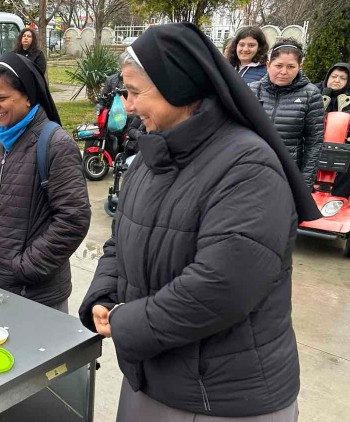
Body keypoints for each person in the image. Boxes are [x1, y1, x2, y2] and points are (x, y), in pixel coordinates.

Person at [79, 23, 321, 421]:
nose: (130, 106)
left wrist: (126, 323)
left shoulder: (248, 166)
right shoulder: (152, 153)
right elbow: (119, 239)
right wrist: (104, 296)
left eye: (136, 92)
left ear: (179, 86)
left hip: (223, 398)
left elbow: (222, 286)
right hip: (153, 378)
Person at [0, 52, 91, 312]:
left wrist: (25, 267)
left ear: (28, 96)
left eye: (2, 98)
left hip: (36, 294)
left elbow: (73, 219)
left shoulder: (55, 144)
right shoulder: (0, 141)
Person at [249, 39, 324, 187]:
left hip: (288, 172)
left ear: (300, 67)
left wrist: (305, 183)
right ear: (268, 64)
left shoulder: (310, 94)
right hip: (252, 168)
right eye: (278, 65)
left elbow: (314, 142)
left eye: (291, 66)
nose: (284, 72)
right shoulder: (252, 90)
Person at [318, 63, 350, 198]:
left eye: (342, 78)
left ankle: (339, 198)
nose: (337, 80)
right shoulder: (314, 91)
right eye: (334, 76)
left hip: (343, 144)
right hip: (316, 141)